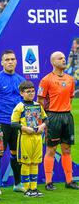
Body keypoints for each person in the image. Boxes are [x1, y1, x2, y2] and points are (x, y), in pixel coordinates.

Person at [0, 50, 26, 194]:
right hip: (0, 122)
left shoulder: (21, 80)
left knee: (16, 153)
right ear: (2, 62)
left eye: (12, 59)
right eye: (7, 59)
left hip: (16, 123)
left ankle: (18, 183)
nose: (10, 61)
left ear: (16, 61)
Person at [37, 51, 78, 190]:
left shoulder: (70, 79)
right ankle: (48, 182)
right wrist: (46, 117)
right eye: (60, 58)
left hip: (67, 116)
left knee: (66, 149)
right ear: (53, 62)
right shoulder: (46, 80)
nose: (64, 60)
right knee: (51, 149)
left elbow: (71, 97)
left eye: (64, 58)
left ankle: (69, 181)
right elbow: (40, 100)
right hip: (53, 117)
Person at [12, 81, 47, 197]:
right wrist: (25, 128)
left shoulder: (38, 105)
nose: (31, 94)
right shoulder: (19, 107)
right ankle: (26, 189)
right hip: (25, 138)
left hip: (37, 138)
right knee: (26, 163)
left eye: (32, 91)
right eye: (28, 92)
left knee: (35, 163)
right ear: (22, 93)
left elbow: (46, 119)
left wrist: (42, 126)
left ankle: (34, 188)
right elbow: (13, 123)